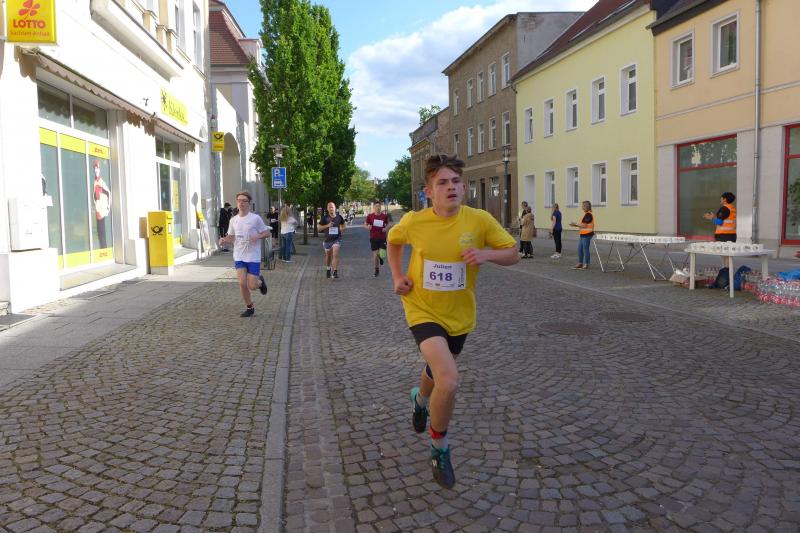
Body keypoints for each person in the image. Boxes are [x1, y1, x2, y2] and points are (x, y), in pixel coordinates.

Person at [387, 154, 518, 489]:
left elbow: (513, 253)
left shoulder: (479, 220)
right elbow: (393, 241)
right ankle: (440, 447)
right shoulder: (415, 222)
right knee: (449, 379)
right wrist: (398, 276)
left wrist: (486, 254)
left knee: (437, 373)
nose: (451, 187)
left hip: (460, 314)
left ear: (464, 187)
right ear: (429, 192)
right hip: (421, 308)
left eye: (456, 181)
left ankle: (419, 399)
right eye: (442, 182)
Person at [218, 191, 270, 317]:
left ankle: (260, 282)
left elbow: (267, 233)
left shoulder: (255, 218)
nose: (241, 203)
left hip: (253, 256)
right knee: (242, 283)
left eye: (244, 201)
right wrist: (224, 240)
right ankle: (249, 307)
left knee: (252, 286)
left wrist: (257, 236)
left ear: (249, 203)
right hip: (239, 255)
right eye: (239, 201)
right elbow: (231, 236)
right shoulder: (233, 220)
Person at [318, 201, 346, 279]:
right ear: (327, 209)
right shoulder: (325, 218)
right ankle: (328, 269)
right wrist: (327, 225)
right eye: (329, 207)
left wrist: (341, 229)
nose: (331, 208)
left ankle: (335, 271)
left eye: (332, 207)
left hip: (337, 239)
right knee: (328, 257)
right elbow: (319, 228)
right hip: (327, 240)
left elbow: (344, 225)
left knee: (335, 254)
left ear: (335, 208)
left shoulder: (339, 217)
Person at [365, 200, 390, 276]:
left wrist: (385, 228)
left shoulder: (384, 216)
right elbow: (365, 224)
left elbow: (388, 224)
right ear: (374, 207)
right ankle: (376, 270)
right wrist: (368, 227)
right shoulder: (370, 216)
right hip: (373, 237)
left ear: (381, 207)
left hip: (382, 237)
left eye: (379, 206)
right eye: (376, 206)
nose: (378, 208)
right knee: (375, 255)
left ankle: (381, 257)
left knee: (382, 254)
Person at [570, 200, 594, 270]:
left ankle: (587, 264)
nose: (582, 207)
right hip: (583, 234)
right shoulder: (586, 214)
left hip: (587, 234)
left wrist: (575, 224)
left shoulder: (588, 214)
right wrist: (575, 225)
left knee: (585, 249)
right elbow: (582, 225)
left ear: (587, 206)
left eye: (583, 206)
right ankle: (580, 263)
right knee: (580, 249)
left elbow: (584, 225)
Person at [92, 160, 111, 249]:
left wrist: (107, 208)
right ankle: (102, 248)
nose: (96, 170)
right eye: (95, 168)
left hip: (102, 210)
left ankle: (104, 249)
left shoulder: (101, 182)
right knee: (99, 232)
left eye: (97, 168)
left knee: (102, 231)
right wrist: (96, 204)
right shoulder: (95, 182)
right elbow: (94, 195)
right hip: (98, 209)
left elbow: (108, 193)